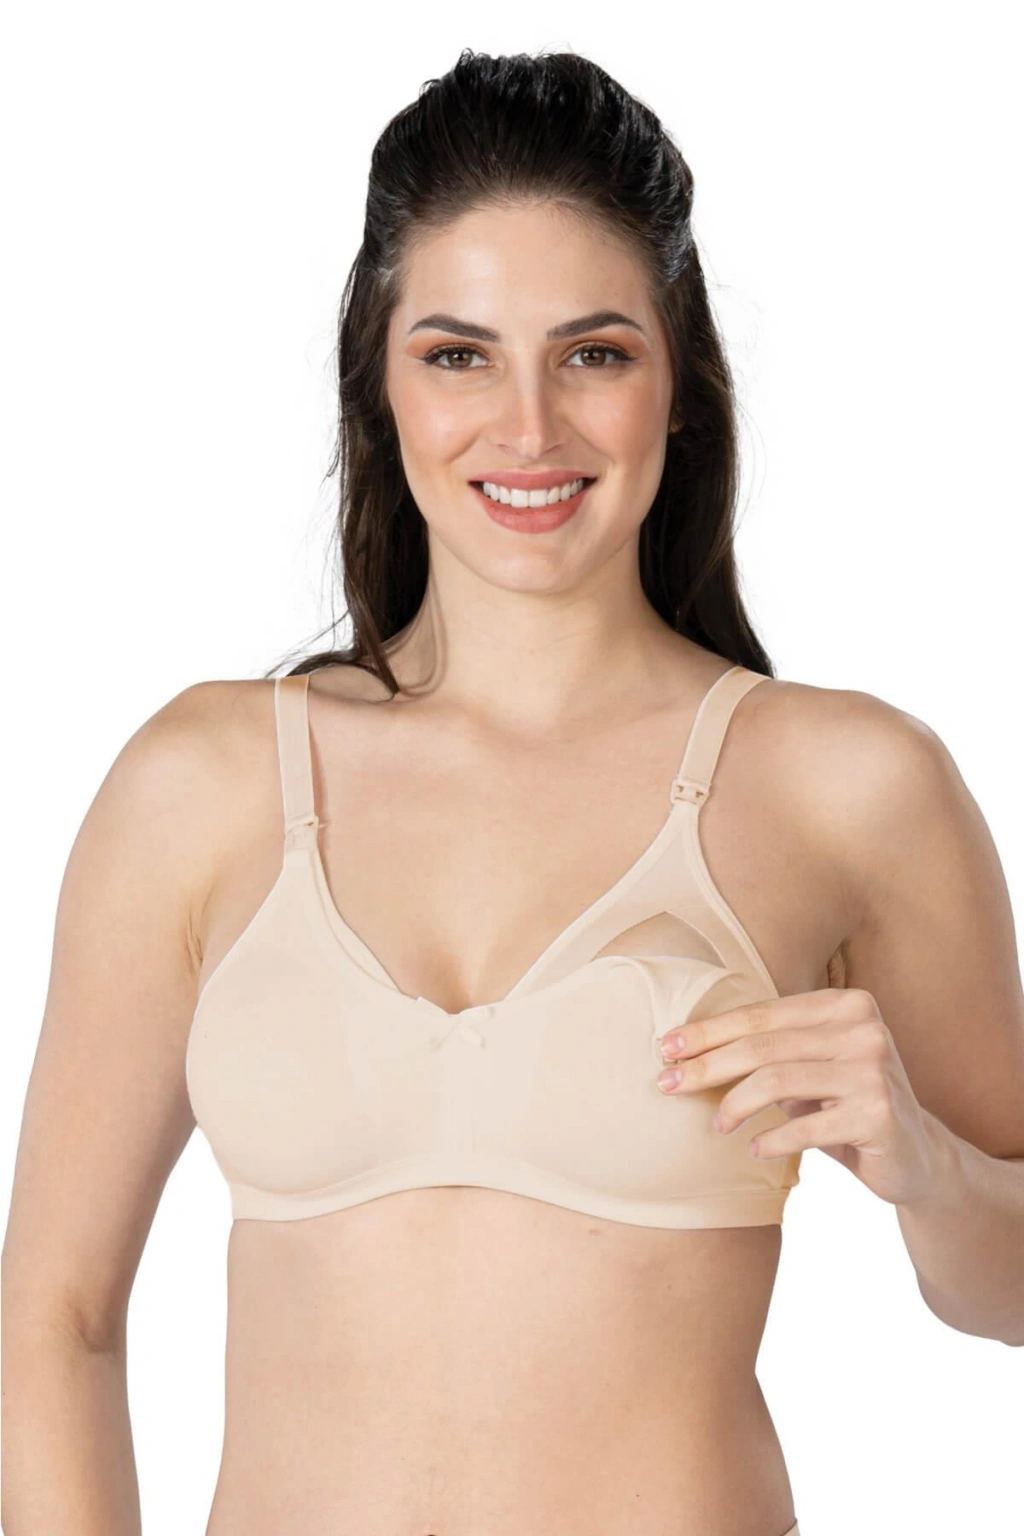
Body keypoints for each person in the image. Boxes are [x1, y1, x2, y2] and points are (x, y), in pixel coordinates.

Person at [4, 46, 1024, 1536]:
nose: (530, 427)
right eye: (458, 355)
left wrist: (926, 1168)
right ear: (381, 383)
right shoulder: (203, 787)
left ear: (678, 384)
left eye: (594, 354)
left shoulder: (849, 788)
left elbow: (1010, 1291)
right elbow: (58, 1313)